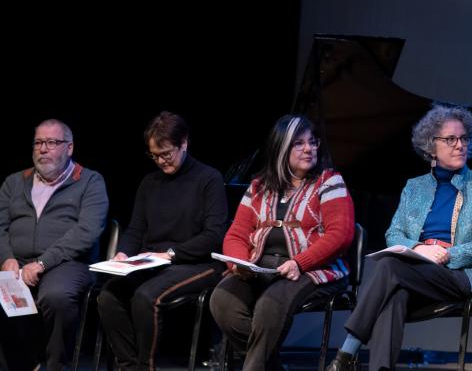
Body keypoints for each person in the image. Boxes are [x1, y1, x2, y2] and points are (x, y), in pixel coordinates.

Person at [325, 104, 472, 371]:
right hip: (418, 273)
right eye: (450, 139)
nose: (460, 145)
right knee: (394, 296)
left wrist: (445, 254)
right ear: (431, 146)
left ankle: (347, 350)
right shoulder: (414, 186)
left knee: (389, 267)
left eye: (464, 138)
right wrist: (419, 248)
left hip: (464, 275)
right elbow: (393, 234)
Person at [209, 114, 355, 370]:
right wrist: (239, 264)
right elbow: (236, 234)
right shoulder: (258, 187)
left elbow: (340, 234)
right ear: (281, 148)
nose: (309, 149)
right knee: (222, 300)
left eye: (312, 142)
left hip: (313, 268)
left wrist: (300, 262)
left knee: (269, 306)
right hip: (260, 266)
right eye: (299, 143)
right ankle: (272, 365)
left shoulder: (329, 181)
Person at [97, 111, 228, 370]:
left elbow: (214, 236)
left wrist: (171, 254)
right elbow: (135, 229)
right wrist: (123, 254)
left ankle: (147, 367)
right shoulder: (149, 183)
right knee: (108, 295)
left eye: (166, 153)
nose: (160, 161)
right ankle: (129, 366)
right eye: (154, 155)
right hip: (154, 263)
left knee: (146, 297)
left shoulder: (208, 179)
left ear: (184, 144)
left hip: (198, 264)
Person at [0, 119, 108, 371]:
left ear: (69, 148)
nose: (43, 149)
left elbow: (87, 231)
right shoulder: (14, 182)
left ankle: (55, 366)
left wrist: (42, 263)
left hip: (69, 262)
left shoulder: (90, 181)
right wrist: (6, 256)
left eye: (52, 142)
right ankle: (22, 364)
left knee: (56, 296)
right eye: (38, 142)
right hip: (18, 262)